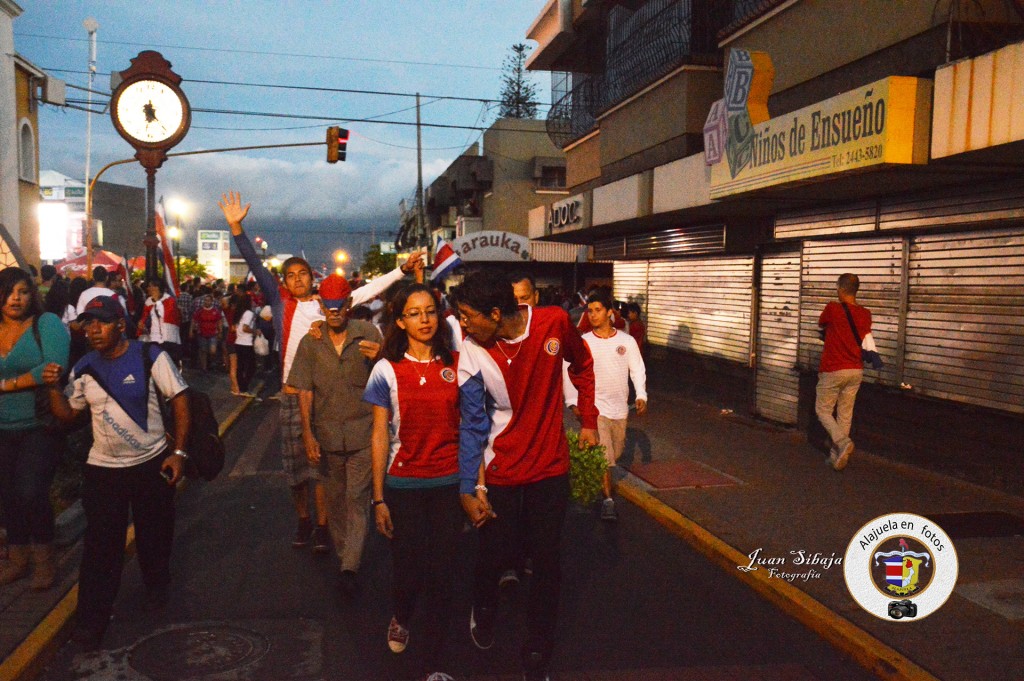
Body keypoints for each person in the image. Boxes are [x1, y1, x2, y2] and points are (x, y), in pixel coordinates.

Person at [219, 190, 424, 552]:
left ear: (311, 278)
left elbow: (367, 290)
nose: (298, 280)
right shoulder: (280, 301)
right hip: (292, 393)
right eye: (291, 276)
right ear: (283, 282)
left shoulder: (329, 304)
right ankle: (303, 518)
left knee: (322, 468)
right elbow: (253, 264)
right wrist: (237, 228)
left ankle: (324, 526)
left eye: (303, 274)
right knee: (295, 467)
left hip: (326, 397)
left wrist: (401, 270)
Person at [453, 269, 598, 681]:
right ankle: (483, 603)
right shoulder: (472, 350)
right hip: (501, 468)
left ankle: (538, 643)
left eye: (468, 315)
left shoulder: (552, 322)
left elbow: (582, 363)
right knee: (495, 551)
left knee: (547, 559)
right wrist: (470, 485)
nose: (463, 324)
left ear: (496, 313)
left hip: (550, 465)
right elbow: (472, 424)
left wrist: (588, 419)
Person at [43, 295, 190, 650]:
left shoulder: (149, 357)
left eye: (102, 322)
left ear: (120, 325)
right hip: (103, 472)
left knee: (155, 537)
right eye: (88, 323)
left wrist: (179, 453)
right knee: (100, 549)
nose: (93, 330)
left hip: (151, 465)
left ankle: (156, 585)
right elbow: (68, 415)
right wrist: (50, 386)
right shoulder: (84, 368)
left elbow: (181, 400)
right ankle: (91, 622)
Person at [363, 283, 460, 677]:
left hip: (448, 483)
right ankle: (401, 614)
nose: (425, 320)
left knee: (442, 577)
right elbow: (379, 434)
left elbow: (471, 427)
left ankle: (434, 665)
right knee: (409, 573)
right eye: (415, 313)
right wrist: (378, 497)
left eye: (431, 311)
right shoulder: (386, 370)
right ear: (400, 321)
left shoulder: (456, 363)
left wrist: (476, 485)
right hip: (403, 486)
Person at [287, 274, 382, 594]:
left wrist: (380, 359)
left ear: (350, 304)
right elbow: (304, 391)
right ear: (321, 307)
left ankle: (349, 566)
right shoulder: (310, 342)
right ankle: (345, 554)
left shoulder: (369, 334)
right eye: (328, 308)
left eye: (339, 307)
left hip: (363, 434)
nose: (334, 313)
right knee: (335, 500)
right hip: (326, 436)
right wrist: (308, 435)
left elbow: (391, 376)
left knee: (357, 498)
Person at [0, 267, 70, 590]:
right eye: (10, 291)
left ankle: (45, 560)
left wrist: (7, 385)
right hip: (2, 428)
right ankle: (17, 560)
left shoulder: (47, 324)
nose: (16, 298)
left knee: (30, 492)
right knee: (7, 496)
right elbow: (38, 372)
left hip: (38, 425)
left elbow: (53, 369)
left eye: (23, 291)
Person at [576, 289, 647, 521]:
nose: (593, 315)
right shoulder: (584, 342)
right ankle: (608, 500)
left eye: (598, 310)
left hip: (620, 409)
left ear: (609, 313)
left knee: (614, 453)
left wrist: (641, 394)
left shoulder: (625, 341)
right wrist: (573, 403)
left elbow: (637, 368)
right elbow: (570, 372)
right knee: (606, 454)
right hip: (596, 408)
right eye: (590, 311)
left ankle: (595, 474)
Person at [816, 272, 869, 471]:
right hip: (855, 369)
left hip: (833, 368)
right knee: (845, 415)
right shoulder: (866, 313)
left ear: (841, 288)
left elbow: (822, 324)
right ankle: (836, 457)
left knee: (822, 410)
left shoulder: (832, 309)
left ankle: (841, 441)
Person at [139, 277, 182, 365]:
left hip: (168, 338)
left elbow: (164, 315)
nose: (148, 288)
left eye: (150, 286)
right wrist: (142, 323)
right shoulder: (148, 301)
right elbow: (145, 316)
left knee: (169, 365)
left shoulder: (169, 300)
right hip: (154, 337)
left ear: (157, 287)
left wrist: (157, 301)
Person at [231, 292, 257, 396]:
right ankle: (244, 387)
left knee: (240, 366)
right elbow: (245, 328)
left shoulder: (238, 313)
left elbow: (233, 328)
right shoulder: (248, 313)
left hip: (238, 342)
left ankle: (241, 387)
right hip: (246, 343)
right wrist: (255, 331)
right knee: (251, 367)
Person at [192, 293, 225, 372]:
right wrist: (192, 330)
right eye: (205, 300)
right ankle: (204, 367)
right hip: (202, 333)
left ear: (211, 301)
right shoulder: (200, 311)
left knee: (212, 351)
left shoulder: (215, 311)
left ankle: (211, 362)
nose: (207, 302)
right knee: (203, 350)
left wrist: (220, 331)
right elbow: (194, 320)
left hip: (213, 333)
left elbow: (219, 321)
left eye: (208, 300)